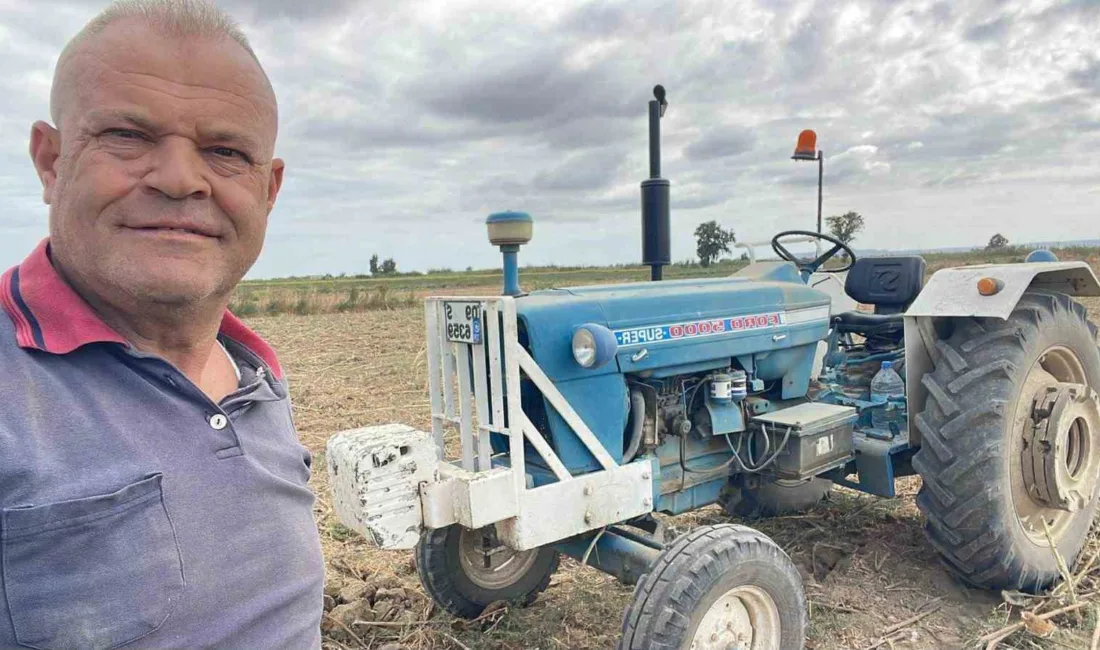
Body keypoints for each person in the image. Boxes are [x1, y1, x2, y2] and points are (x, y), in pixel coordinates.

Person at [0, 1, 325, 647]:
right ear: (51, 161)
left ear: (269, 189)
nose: (181, 180)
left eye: (225, 151)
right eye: (128, 135)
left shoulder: (253, 372)